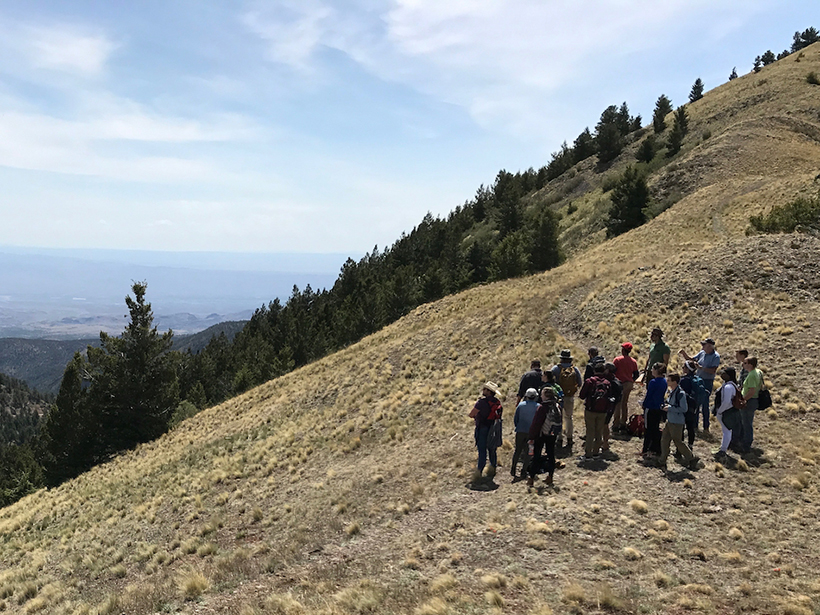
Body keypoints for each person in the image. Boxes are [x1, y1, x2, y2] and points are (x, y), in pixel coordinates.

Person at [679, 338, 721, 434]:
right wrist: (684, 354)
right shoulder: (702, 353)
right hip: (697, 381)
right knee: (695, 403)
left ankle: (706, 426)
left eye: (704, 345)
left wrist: (701, 368)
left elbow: (713, 371)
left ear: (710, 346)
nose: (702, 347)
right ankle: (695, 425)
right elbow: (692, 360)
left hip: (707, 382)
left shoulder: (715, 356)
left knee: (705, 404)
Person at [657, 373, 697, 470]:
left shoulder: (680, 394)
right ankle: (662, 460)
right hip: (670, 421)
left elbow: (684, 408)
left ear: (674, 382)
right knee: (664, 440)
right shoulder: (673, 391)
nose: (667, 381)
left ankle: (691, 458)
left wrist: (669, 408)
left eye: (669, 380)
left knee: (678, 442)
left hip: (677, 422)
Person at [468, 381, 503, 482]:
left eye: (485, 389)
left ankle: (479, 471)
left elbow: (471, 414)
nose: (483, 390)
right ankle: (493, 467)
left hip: (482, 428)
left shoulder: (481, 403)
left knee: (482, 450)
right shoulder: (497, 402)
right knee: (492, 449)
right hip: (493, 428)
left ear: (488, 391)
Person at [527, 387, 562, 487]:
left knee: (536, 456)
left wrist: (532, 436)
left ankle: (531, 478)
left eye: (542, 394)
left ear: (546, 396)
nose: (541, 396)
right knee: (551, 455)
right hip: (552, 434)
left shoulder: (543, 407)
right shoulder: (556, 405)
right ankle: (550, 477)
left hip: (541, 435)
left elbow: (536, 423)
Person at [579, 363, 613, 459]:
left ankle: (588, 454)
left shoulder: (590, 381)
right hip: (603, 411)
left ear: (594, 371)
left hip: (590, 410)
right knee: (599, 431)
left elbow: (582, 395)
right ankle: (596, 452)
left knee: (590, 432)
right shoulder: (607, 383)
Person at [551, 350, 583, 449]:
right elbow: (580, 383)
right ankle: (569, 437)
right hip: (569, 396)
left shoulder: (556, 369)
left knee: (558, 417)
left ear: (561, 358)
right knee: (569, 417)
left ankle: (559, 438)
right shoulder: (575, 369)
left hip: (558, 397)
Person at [511, 388, 539, 480]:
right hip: (531, 433)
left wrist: (518, 427)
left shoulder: (520, 405)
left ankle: (513, 468)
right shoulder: (538, 406)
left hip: (520, 431)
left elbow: (516, 419)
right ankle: (524, 470)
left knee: (518, 450)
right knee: (529, 452)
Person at [714, 366, 740, 460]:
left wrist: (720, 411)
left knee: (726, 431)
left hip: (726, 411)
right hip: (728, 410)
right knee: (727, 430)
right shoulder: (732, 385)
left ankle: (723, 450)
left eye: (724, 373)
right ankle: (723, 447)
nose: (722, 375)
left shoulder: (728, 387)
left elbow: (726, 401)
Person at [642, 362, 667, 458]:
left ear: (657, 370)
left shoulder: (653, 382)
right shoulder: (664, 381)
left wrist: (644, 405)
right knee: (656, 428)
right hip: (659, 407)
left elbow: (649, 396)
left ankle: (646, 449)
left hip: (650, 407)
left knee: (648, 429)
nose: (652, 370)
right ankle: (656, 448)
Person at [612, 342, 638, 432]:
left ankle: (616, 424)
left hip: (619, 384)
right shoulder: (633, 361)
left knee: (617, 404)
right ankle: (623, 423)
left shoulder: (617, 360)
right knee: (624, 403)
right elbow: (636, 374)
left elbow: (613, 371)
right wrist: (631, 380)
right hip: (629, 384)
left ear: (623, 350)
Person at [739, 357, 763, 454]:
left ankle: (746, 445)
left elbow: (752, 391)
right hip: (753, 400)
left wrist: (743, 400)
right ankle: (745, 442)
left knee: (746, 423)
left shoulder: (752, 375)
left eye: (745, 363)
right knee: (747, 422)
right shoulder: (758, 372)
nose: (743, 365)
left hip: (749, 401)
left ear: (750, 364)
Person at [679, 361, 703, 449]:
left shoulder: (684, 380)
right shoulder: (697, 379)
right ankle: (690, 445)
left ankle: (680, 448)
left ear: (688, 369)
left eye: (684, 367)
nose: (682, 368)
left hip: (684, 405)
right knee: (690, 427)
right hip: (693, 405)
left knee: (681, 426)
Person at [601, 362, 622, 454]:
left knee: (604, 425)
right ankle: (605, 442)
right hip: (612, 406)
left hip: (605, 406)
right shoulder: (617, 380)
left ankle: (605, 443)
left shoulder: (607, 380)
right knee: (605, 424)